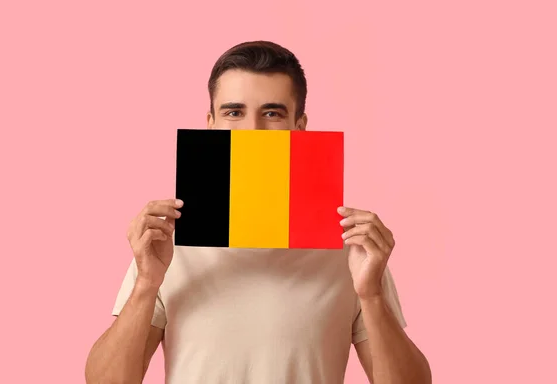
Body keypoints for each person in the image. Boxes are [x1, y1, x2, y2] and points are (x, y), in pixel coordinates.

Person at [85, 41, 432, 384]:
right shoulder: (168, 243)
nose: (252, 131)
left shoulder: (350, 248)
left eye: (272, 113)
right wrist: (147, 282)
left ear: (300, 126)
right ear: (211, 124)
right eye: (234, 112)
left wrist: (371, 295)